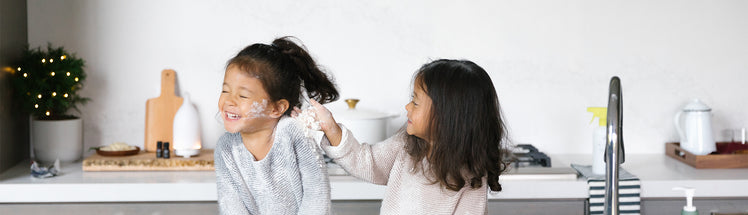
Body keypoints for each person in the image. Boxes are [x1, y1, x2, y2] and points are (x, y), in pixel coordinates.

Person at [302, 59, 508, 214]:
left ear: (448, 117)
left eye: (416, 103)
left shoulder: (471, 180)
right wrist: (331, 128)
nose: (407, 107)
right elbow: (366, 162)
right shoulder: (406, 147)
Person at [214, 36, 338, 215]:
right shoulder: (226, 149)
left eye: (243, 96)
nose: (229, 100)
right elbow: (231, 206)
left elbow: (316, 194)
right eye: (225, 91)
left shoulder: (293, 133)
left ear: (277, 108)